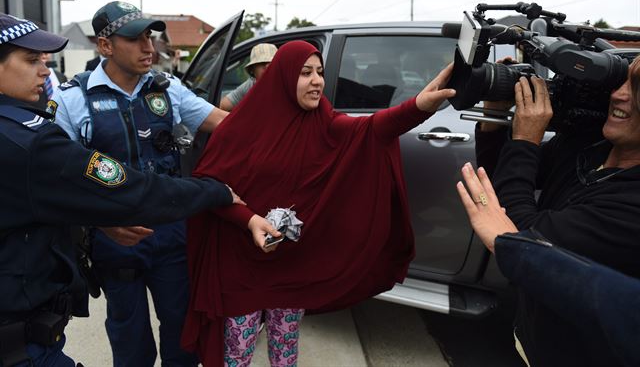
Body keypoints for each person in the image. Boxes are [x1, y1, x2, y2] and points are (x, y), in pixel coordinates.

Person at [0, 12, 254, 366]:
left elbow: (226, 126)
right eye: (136, 38)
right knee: (130, 340)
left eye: (150, 37)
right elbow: (64, 183)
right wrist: (101, 223)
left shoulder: (169, 88)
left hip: (171, 233)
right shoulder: (72, 100)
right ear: (105, 45)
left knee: (183, 336)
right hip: (119, 240)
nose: (148, 47)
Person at [181, 40, 456, 366]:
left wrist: (419, 106)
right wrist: (248, 220)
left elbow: (372, 129)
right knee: (237, 355)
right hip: (238, 262)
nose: (317, 81)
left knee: (285, 353)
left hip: (290, 265)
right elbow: (210, 187)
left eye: (320, 73)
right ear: (281, 77)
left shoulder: (324, 123)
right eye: (305, 73)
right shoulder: (238, 127)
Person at [472, 55, 640, 366]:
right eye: (623, 81)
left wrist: (525, 138)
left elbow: (525, 238)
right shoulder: (593, 147)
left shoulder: (632, 206)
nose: (618, 94)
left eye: (638, 90)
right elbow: (506, 179)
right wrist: (495, 115)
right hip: (534, 333)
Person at [219, 43, 277, 111]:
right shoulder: (250, 85)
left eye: (272, 62)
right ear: (252, 70)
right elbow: (222, 106)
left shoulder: (287, 83)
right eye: (262, 63)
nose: (267, 66)